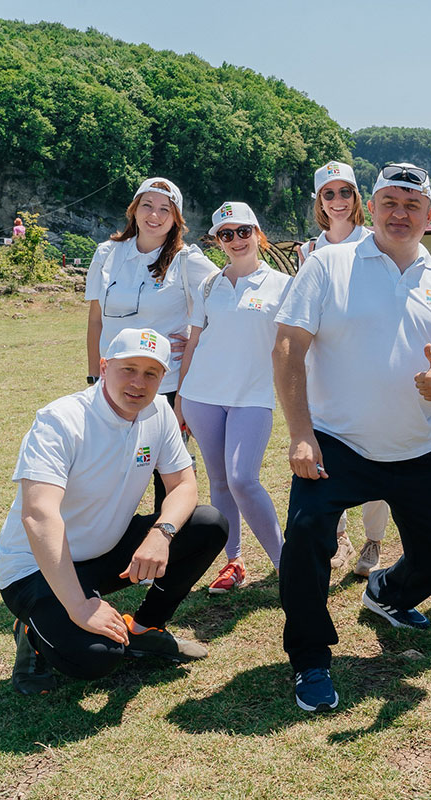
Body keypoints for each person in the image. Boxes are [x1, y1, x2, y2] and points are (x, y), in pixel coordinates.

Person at [273, 162, 431, 711]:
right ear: (370, 207)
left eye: (412, 204)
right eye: (390, 202)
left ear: (430, 214)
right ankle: (310, 658)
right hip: (336, 442)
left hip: (418, 446)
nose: (400, 213)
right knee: (306, 542)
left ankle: (387, 593)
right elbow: (288, 347)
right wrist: (301, 433)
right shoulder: (328, 265)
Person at [0, 327, 228, 695]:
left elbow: (184, 485)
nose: (139, 383)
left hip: (104, 553)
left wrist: (161, 534)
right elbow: (39, 515)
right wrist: (79, 606)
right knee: (97, 658)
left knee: (207, 524)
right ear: (104, 367)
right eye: (128, 369)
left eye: (151, 373)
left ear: (163, 378)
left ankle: (145, 628)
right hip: (37, 567)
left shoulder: (158, 412)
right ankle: (31, 632)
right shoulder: (61, 420)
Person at [174, 202, 291, 594]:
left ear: (257, 233)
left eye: (243, 231)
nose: (236, 240)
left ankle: (286, 564)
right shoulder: (209, 284)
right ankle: (233, 562)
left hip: (252, 397)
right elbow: (193, 343)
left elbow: (294, 346)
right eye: (226, 234)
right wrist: (180, 400)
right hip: (202, 396)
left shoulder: (282, 285)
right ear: (218, 241)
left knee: (243, 479)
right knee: (220, 481)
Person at [84, 177, 218, 511]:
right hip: (111, 383)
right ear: (134, 209)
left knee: (169, 476)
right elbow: (95, 320)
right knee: (104, 469)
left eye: (164, 209)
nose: (154, 215)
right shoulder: (107, 254)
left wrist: (197, 340)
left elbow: (227, 294)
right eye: (147, 205)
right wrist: (93, 377)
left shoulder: (186, 260)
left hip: (165, 385)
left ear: (176, 219)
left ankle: (167, 538)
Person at [298, 160, 391, 578]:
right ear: (319, 202)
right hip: (325, 365)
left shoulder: (377, 242)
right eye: (329, 194)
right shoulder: (309, 252)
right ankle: (339, 535)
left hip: (371, 363)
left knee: (376, 453)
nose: (337, 201)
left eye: (345, 192)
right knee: (329, 453)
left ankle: (374, 539)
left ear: (357, 198)